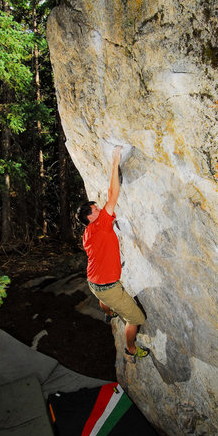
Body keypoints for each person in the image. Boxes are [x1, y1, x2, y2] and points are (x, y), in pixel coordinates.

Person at [77, 145, 150, 361]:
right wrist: (115, 161)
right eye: (96, 209)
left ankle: (109, 314)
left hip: (93, 282)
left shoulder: (88, 232)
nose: (100, 210)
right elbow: (113, 194)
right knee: (136, 319)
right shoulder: (99, 225)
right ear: (90, 217)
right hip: (109, 287)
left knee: (103, 299)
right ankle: (131, 348)